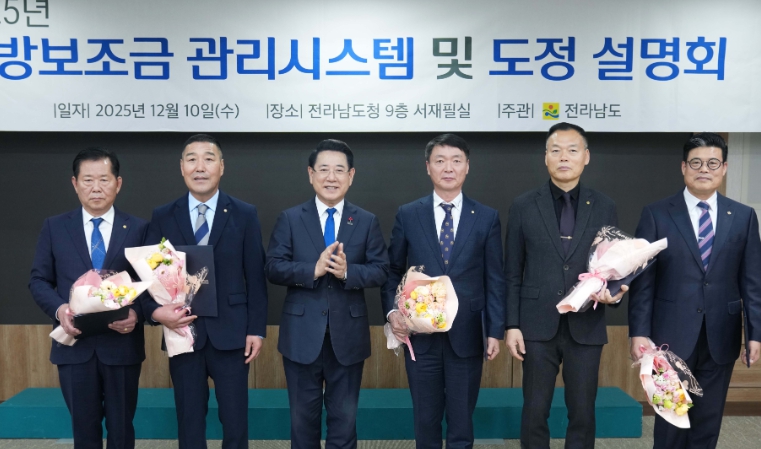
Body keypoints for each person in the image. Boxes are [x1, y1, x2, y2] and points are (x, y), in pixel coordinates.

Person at [629, 132, 761, 449]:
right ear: (684, 167)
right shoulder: (657, 213)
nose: (704, 169)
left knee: (707, 424)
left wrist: (755, 334)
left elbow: (752, 280)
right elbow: (643, 281)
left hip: (721, 336)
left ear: (724, 168)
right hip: (667, 340)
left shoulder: (743, 216)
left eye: (713, 163)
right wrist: (639, 332)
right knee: (671, 422)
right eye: (696, 162)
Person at [143, 134, 268, 449]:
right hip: (182, 334)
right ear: (181, 167)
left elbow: (256, 277)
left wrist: (256, 329)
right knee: (189, 421)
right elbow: (148, 277)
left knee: (235, 422)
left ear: (221, 167)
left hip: (232, 335)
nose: (200, 167)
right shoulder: (163, 215)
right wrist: (156, 314)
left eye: (209, 159)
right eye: (192, 159)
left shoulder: (244, 213)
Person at [504, 122, 625, 448]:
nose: (564, 157)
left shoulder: (604, 205)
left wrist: (613, 294)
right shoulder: (523, 205)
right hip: (536, 324)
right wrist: (512, 325)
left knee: (583, 412)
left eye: (572, 150)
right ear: (545, 157)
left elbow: (614, 265)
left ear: (586, 156)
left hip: (586, 324)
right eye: (555, 150)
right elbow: (512, 272)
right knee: (534, 410)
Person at [383, 133, 505, 449]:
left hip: (467, 334)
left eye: (456, 161)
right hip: (420, 336)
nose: (448, 168)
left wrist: (495, 331)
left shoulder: (487, 217)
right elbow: (392, 270)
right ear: (428, 167)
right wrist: (393, 312)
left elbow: (495, 278)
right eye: (440, 161)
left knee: (462, 421)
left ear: (467, 166)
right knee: (425, 420)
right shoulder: (409, 214)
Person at [265, 139, 389, 449]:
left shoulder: (365, 220)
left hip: (348, 337)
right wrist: (313, 269)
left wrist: (348, 272)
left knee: (344, 422)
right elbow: (273, 267)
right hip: (301, 336)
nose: (331, 177)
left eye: (339, 170)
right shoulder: (291, 218)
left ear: (351, 176)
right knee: (302, 423)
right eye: (323, 169)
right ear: (311, 174)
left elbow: (381, 270)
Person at [29, 148, 148, 449]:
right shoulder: (55, 227)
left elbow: (151, 285)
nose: (96, 188)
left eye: (104, 180)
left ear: (118, 184)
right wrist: (60, 310)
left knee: (122, 430)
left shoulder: (139, 228)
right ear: (75, 183)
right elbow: (39, 280)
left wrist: (137, 313)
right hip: (74, 347)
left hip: (121, 346)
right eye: (88, 180)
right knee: (83, 431)